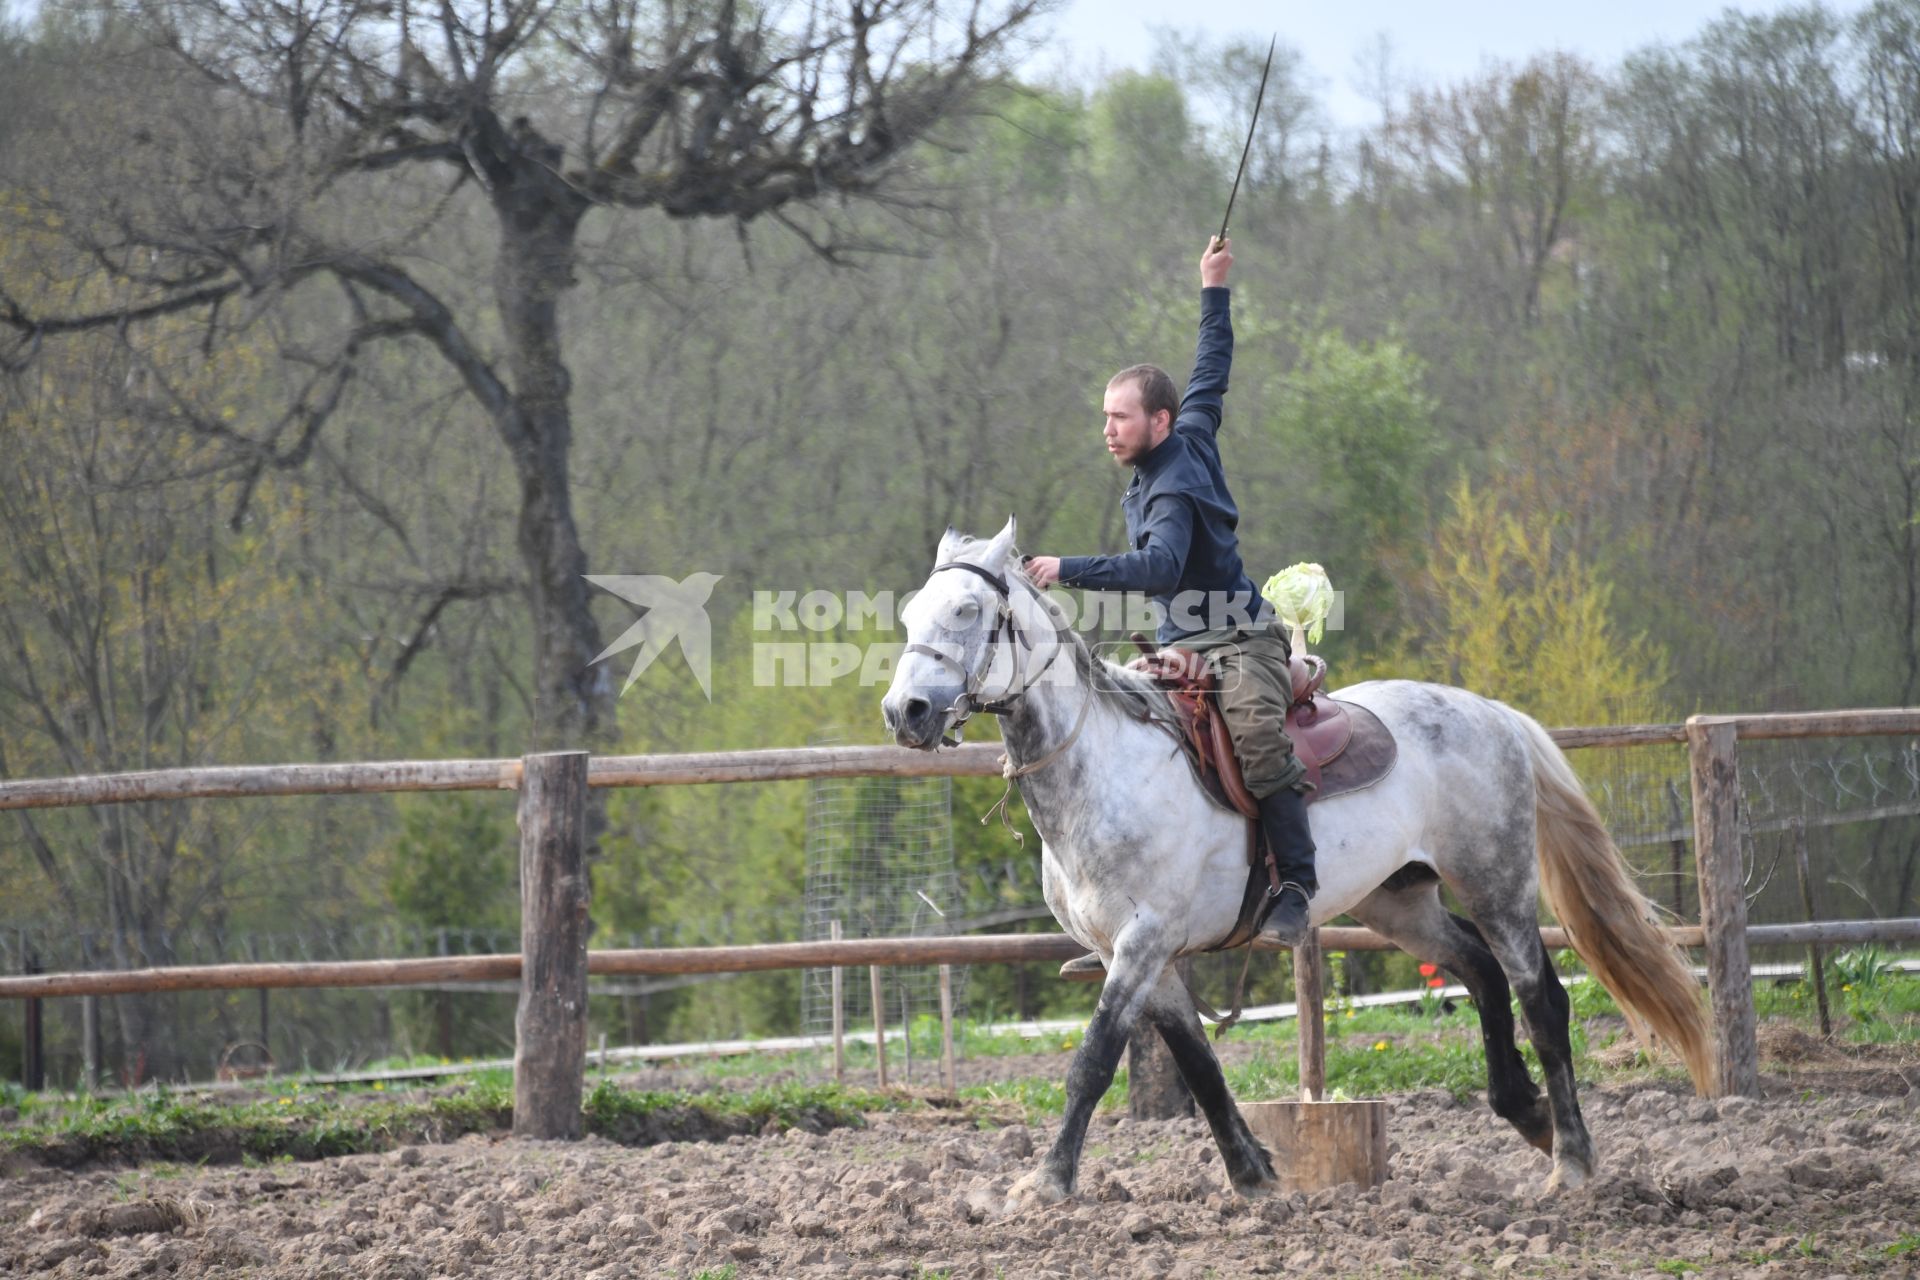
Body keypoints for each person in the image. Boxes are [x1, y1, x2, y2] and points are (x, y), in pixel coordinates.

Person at [1026, 237, 1316, 967]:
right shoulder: (1190, 428)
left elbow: (1159, 565)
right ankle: (1128, 917)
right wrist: (1213, 288)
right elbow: (1211, 370)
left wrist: (1067, 568)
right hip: (1181, 646)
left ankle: (1297, 888)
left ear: (1157, 421)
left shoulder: (1174, 484)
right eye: (1104, 416)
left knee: (1254, 737)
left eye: (1119, 418)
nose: (1107, 429)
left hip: (1239, 638)